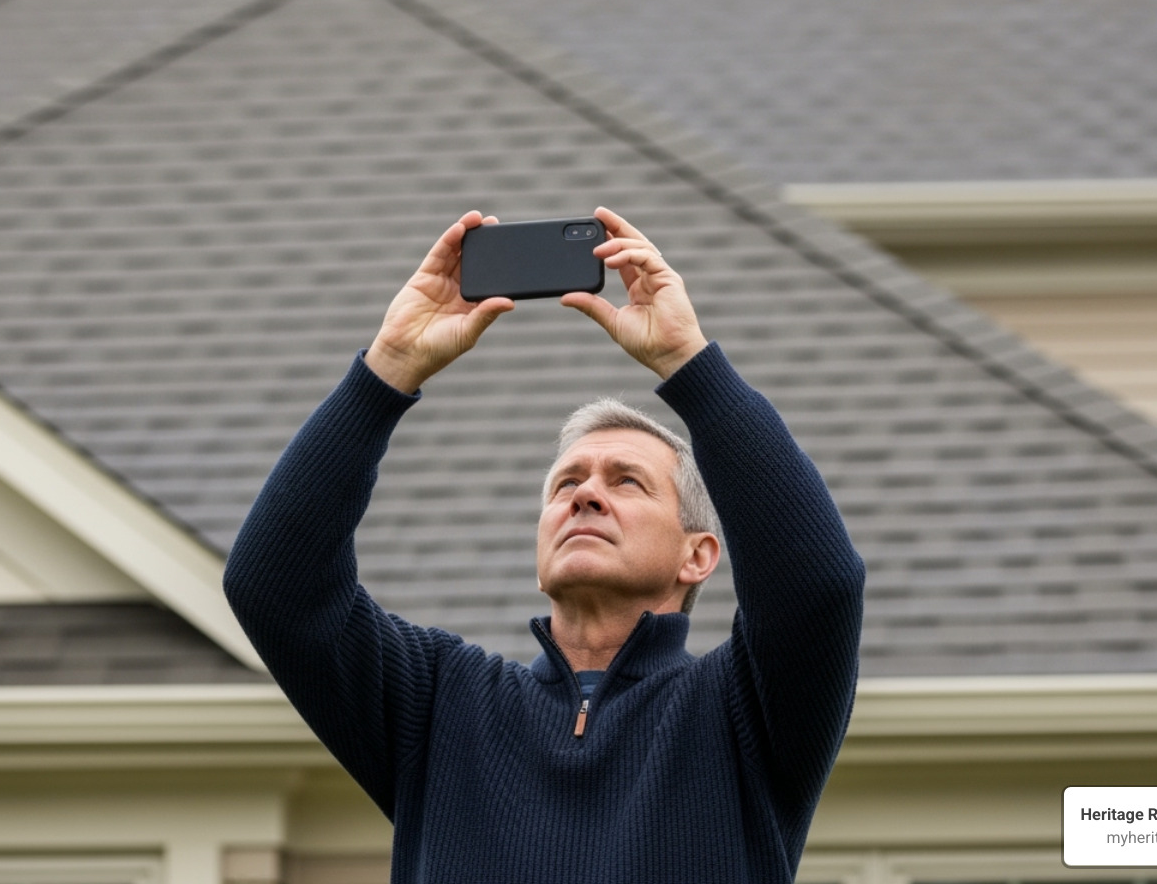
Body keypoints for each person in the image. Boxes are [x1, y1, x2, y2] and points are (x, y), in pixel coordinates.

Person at [224, 206, 865, 883]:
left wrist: (688, 362)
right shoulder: (439, 704)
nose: (584, 496)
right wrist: (389, 368)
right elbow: (276, 590)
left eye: (627, 482)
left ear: (697, 555)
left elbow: (815, 589)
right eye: (565, 484)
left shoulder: (745, 713)